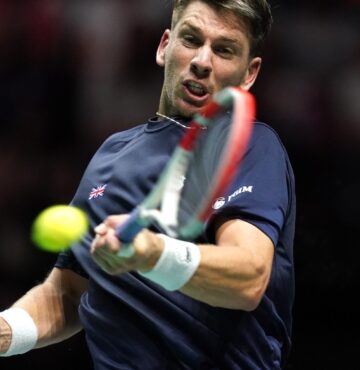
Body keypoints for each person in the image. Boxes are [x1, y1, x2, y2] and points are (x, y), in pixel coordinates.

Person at [0, 1, 295, 369]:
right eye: (191, 39)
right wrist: (5, 332)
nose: (202, 61)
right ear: (164, 46)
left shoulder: (253, 146)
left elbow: (248, 277)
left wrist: (155, 254)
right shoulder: (112, 153)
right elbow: (68, 293)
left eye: (224, 50)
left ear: (249, 73)